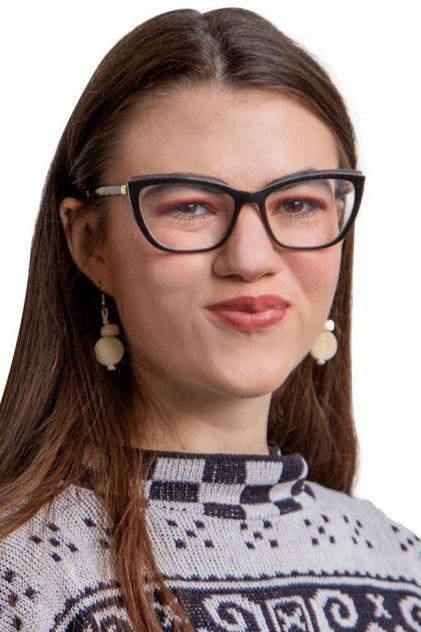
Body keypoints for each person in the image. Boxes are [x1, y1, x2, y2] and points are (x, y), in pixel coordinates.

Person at [0, 7, 419, 631]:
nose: (250, 259)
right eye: (191, 207)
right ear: (90, 243)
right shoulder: (19, 577)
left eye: (297, 203)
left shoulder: (403, 569)